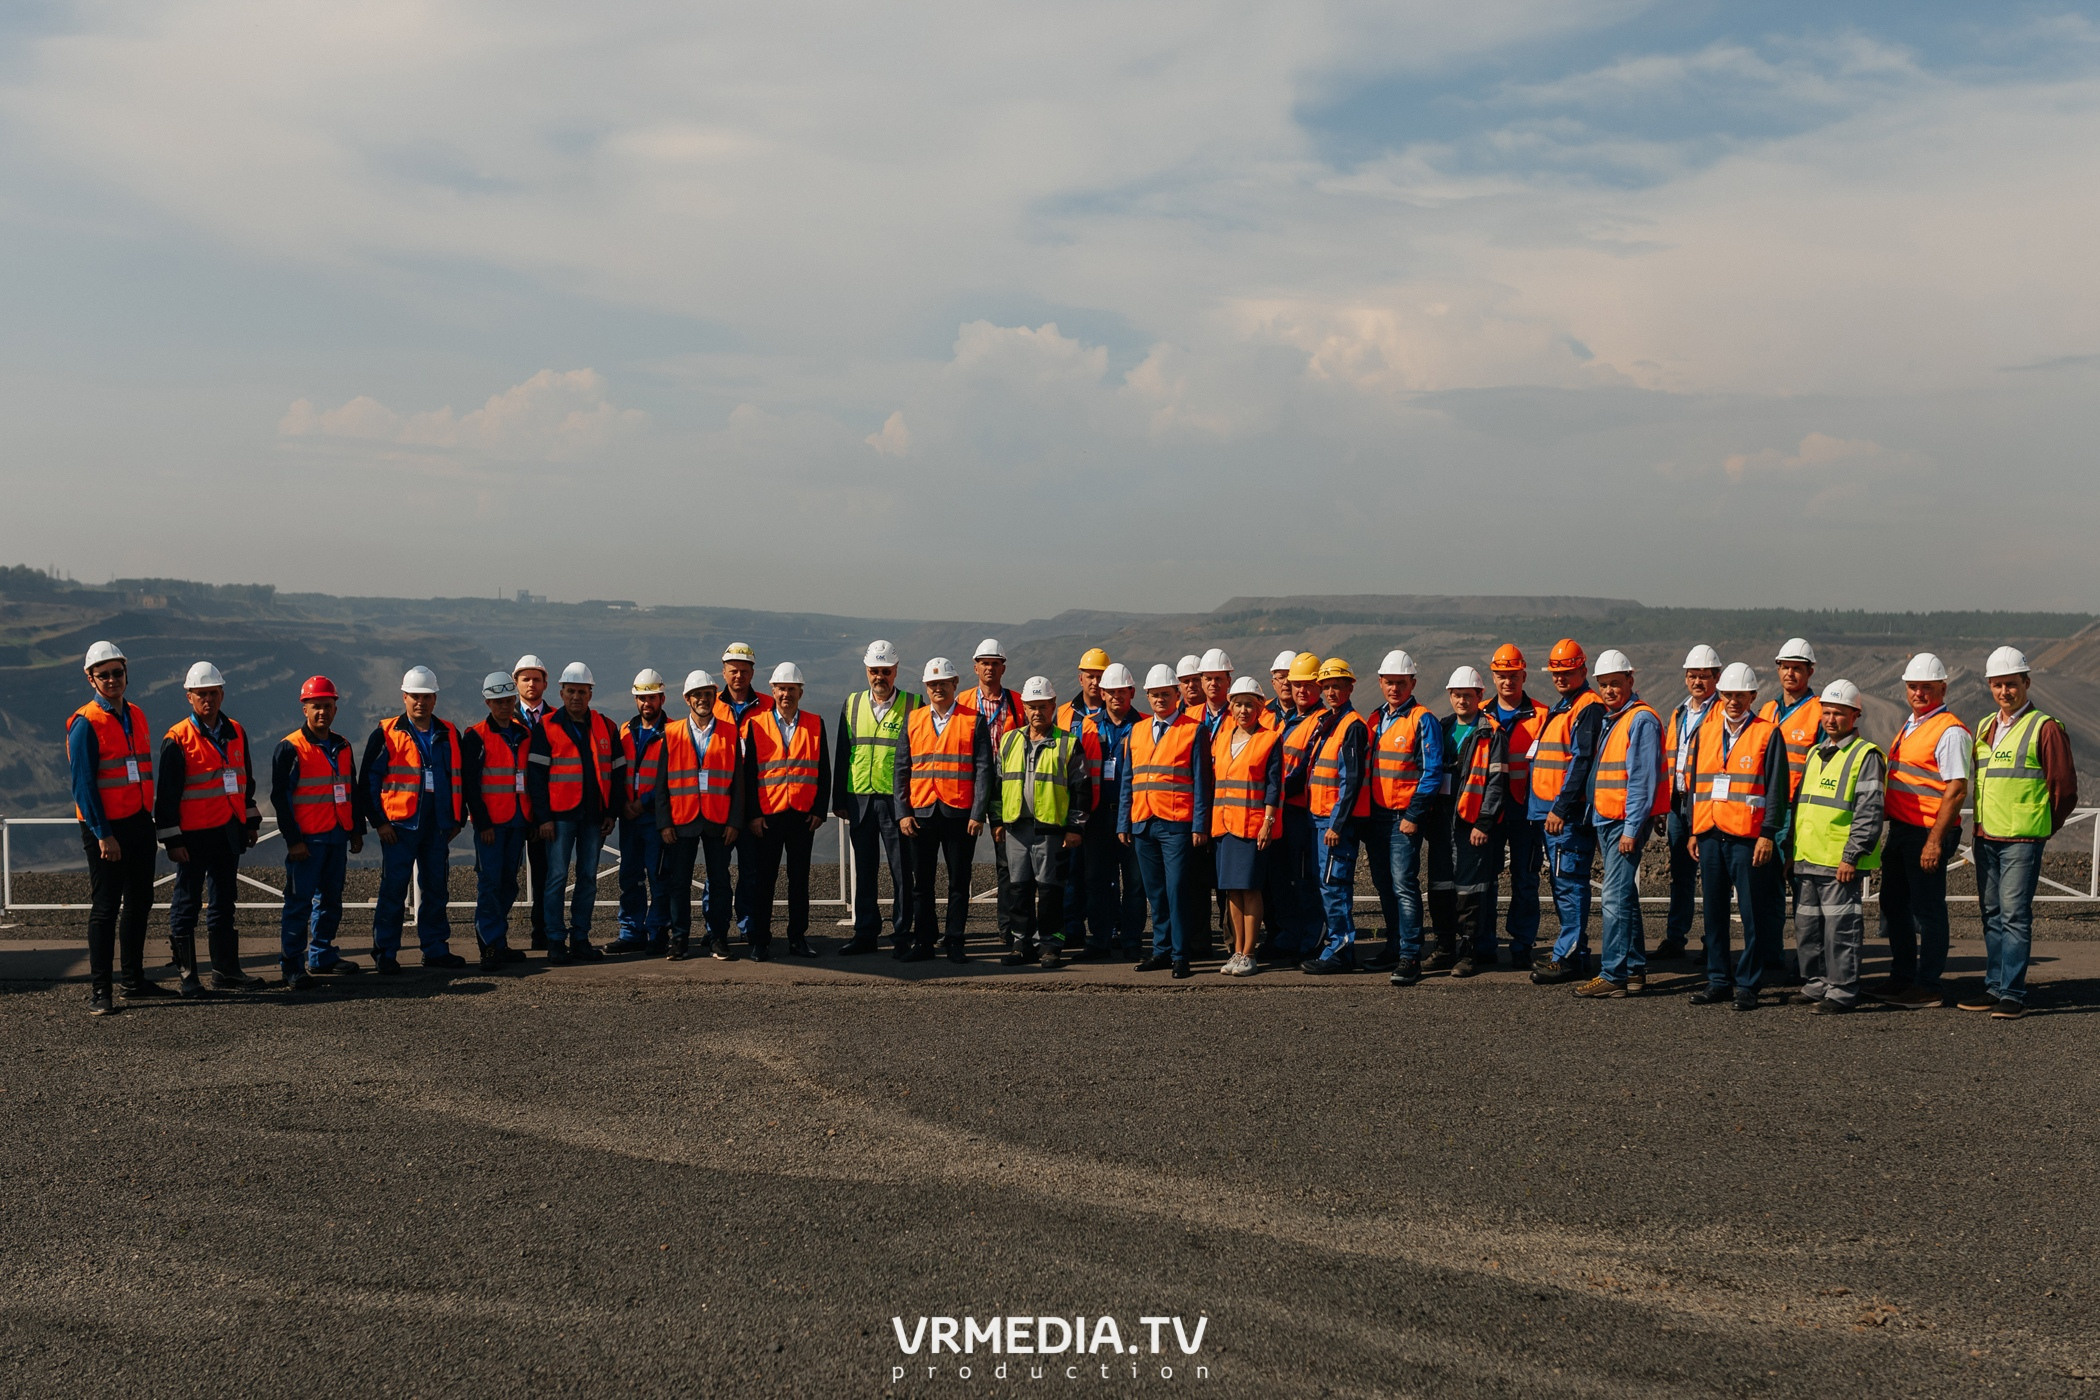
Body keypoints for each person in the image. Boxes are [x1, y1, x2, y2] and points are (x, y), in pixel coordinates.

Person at [1957, 647, 2077, 1019]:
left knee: (2014, 915)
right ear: (1990, 687)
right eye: (1997, 685)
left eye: (2011, 684)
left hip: (2021, 841)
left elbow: (2065, 789)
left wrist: (2042, 825)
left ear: (2026, 682)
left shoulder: (2045, 727)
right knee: (1991, 913)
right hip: (1987, 837)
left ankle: (2013, 992)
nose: (2004, 691)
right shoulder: (1984, 727)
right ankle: (1994, 987)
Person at [1685, 663, 1790, 1010]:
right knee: (1713, 912)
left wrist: (1767, 835)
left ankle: (1748, 983)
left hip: (1748, 838)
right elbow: (1694, 785)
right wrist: (1694, 830)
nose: (1733, 701)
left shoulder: (1767, 733)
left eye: (1740, 695)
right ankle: (1718, 980)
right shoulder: (1706, 731)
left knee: (1752, 914)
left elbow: (1777, 789)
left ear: (1752, 697)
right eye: (1728, 695)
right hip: (1710, 833)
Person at [1869, 653, 1972, 1008]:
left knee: (1928, 911)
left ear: (1942, 688)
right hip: (1901, 830)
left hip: (1927, 832)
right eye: (1913, 687)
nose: (1919, 692)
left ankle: (1927, 984)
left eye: (1927, 687)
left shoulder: (1950, 731)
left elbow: (1956, 789)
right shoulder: (1911, 724)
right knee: (1894, 904)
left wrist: (1934, 842)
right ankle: (1902, 977)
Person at [156, 661, 264, 992]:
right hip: (193, 836)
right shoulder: (177, 738)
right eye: (201, 695)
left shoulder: (236, 732)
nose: (208, 700)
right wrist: (172, 839)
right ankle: (188, 976)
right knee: (187, 902)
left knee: (223, 902)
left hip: (228, 831)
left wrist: (249, 820)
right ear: (189, 697)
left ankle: (226, 971)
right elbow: (167, 796)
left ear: (222, 693)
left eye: (213, 694)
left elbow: (245, 779)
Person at [68, 641, 164, 1013]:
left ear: (126, 672)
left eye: (117, 672)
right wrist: (103, 833)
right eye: (104, 674)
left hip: (139, 822)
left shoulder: (136, 714)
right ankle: (100, 990)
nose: (112, 679)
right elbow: (84, 785)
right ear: (90, 678)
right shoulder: (84, 723)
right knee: (106, 908)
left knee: (140, 902)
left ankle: (134, 980)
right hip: (106, 829)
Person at [362, 666, 467, 973]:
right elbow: (368, 781)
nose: (420, 702)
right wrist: (379, 822)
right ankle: (386, 953)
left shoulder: (449, 733)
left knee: (436, 888)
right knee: (393, 890)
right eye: (414, 697)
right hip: (399, 827)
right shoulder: (385, 733)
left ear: (435, 699)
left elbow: (460, 778)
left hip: (437, 825)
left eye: (426, 697)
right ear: (404, 697)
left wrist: (457, 818)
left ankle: (435, 949)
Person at [1788, 680, 1883, 1015]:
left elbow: (1869, 811)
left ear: (1854, 715)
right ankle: (1816, 984)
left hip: (1837, 862)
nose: (1831, 719)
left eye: (1839, 713)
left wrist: (1851, 855)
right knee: (1808, 928)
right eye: (1826, 712)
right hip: (1807, 858)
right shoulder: (1815, 753)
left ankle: (1842, 990)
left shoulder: (1865, 756)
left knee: (1840, 930)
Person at [1573, 652, 1664, 999]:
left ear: (1630, 680)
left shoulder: (1640, 720)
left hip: (1622, 823)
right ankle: (1635, 971)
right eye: (1604, 685)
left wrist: (1630, 828)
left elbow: (1641, 779)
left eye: (1615, 683)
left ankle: (1613, 973)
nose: (1609, 690)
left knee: (1613, 898)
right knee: (1624, 896)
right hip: (1608, 819)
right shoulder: (1618, 718)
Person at [525, 662, 626, 964]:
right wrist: (543, 817)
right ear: (561, 692)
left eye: (582, 692)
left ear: (590, 693)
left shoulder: (605, 726)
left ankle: (580, 937)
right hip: (559, 818)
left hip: (594, 817)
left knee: (587, 878)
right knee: (556, 878)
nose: (576, 697)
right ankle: (555, 940)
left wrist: (612, 811)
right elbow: (536, 778)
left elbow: (617, 772)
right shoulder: (548, 726)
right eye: (571, 691)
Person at [897, 657, 992, 962]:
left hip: (959, 814)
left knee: (959, 882)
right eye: (932, 684)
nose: (938, 688)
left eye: (943, 683)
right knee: (921, 884)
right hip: (921, 812)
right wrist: (903, 812)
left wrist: (978, 813)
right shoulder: (912, 720)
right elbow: (901, 769)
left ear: (955, 685)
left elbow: (983, 769)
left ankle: (955, 940)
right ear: (926, 687)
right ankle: (924, 942)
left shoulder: (973, 720)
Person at [271, 675, 365, 986]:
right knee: (298, 903)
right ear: (305, 709)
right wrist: (294, 840)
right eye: (316, 706)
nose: (322, 712)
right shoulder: (290, 748)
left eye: (327, 705)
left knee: (331, 901)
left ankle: (321, 955)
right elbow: (280, 799)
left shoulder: (343, 745)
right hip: (307, 841)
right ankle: (292, 966)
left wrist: (355, 831)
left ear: (335, 708)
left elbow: (351, 788)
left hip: (336, 836)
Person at [994, 677, 1090, 968]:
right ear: (1024, 707)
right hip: (1016, 828)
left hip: (1051, 829)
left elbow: (1081, 789)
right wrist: (997, 820)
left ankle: (1050, 945)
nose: (1038, 713)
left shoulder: (1068, 743)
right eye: (1032, 707)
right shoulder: (1009, 740)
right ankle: (1021, 944)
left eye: (1043, 707)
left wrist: (1075, 827)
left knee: (1050, 890)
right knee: (1018, 889)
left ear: (1053, 706)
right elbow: (998, 784)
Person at [655, 670, 749, 961]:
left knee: (720, 881)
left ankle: (718, 938)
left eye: (708, 695)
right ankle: (680, 939)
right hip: (682, 820)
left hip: (718, 821)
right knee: (678, 882)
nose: (703, 700)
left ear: (714, 697)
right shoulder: (671, 734)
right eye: (697, 695)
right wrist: (665, 823)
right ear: (687, 699)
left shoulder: (730, 733)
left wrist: (735, 821)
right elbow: (661, 784)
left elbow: (738, 783)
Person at [834, 640, 921, 956]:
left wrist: (910, 804)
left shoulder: (914, 704)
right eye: (874, 671)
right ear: (866, 671)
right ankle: (865, 933)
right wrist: (839, 800)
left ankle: (902, 934)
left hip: (897, 802)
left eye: (885, 671)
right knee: (864, 871)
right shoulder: (852, 704)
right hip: (860, 800)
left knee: (902, 872)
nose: (879, 677)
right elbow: (844, 752)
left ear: (895, 671)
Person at [1124, 664, 1210, 978]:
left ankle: (1180, 954)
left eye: (1165, 694)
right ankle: (1161, 950)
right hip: (1144, 822)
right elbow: (1128, 781)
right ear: (1147, 697)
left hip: (1177, 823)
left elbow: (1202, 783)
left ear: (1177, 695)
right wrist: (1124, 823)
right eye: (1155, 695)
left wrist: (1200, 824)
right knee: (1155, 891)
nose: (1160, 700)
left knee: (1177, 890)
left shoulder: (1194, 730)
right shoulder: (1137, 730)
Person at [1361, 649, 1442, 976]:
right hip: (1376, 817)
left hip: (1402, 819)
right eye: (1389, 682)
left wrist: (1413, 815)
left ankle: (1410, 954)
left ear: (1412, 683)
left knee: (1403, 885)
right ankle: (1394, 946)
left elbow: (1432, 772)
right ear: (1381, 682)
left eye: (1401, 683)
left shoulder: (1423, 719)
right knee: (1383, 884)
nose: (1395, 688)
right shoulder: (1375, 719)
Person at [742, 663, 831, 960]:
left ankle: (798, 938)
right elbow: (750, 773)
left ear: (800, 692)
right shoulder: (756, 725)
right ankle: (760, 940)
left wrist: (820, 810)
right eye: (781, 689)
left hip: (802, 816)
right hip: (768, 816)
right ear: (773, 691)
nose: (786, 694)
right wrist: (753, 814)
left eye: (791, 689)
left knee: (799, 880)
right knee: (763, 881)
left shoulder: (815, 724)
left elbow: (823, 771)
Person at [1527, 640, 1603, 985]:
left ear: (1582, 671)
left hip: (1566, 818)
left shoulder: (1586, 707)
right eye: (1556, 672)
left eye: (1567, 671)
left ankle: (1568, 957)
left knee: (1570, 885)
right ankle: (1574, 951)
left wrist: (1561, 807)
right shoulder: (1565, 705)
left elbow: (1581, 761)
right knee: (1562, 885)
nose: (1560, 677)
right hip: (1551, 815)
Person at [1433, 668, 1509, 979]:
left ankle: (1468, 952)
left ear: (1480, 696)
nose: (1462, 700)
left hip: (1472, 821)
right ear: (1449, 696)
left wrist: (1485, 822)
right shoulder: (1442, 727)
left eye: (1468, 695)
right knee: (1440, 885)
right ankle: (1443, 947)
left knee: (1471, 887)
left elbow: (1496, 782)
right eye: (1457, 694)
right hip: (1441, 820)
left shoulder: (1491, 733)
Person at [1757, 638, 1822, 982]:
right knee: (1766, 889)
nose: (1791, 673)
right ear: (1778, 669)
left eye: (1798, 668)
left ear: (1810, 671)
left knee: (1803, 892)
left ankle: (1807, 965)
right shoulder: (1766, 711)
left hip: (1802, 811)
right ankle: (1770, 958)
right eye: (1785, 667)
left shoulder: (1819, 713)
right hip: (1769, 811)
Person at [1301, 658, 1370, 975]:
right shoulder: (1328, 722)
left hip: (1334, 824)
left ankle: (1340, 950)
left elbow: (1351, 779)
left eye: (1336, 686)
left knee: (1334, 885)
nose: (1330, 691)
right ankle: (1335, 946)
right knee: (1326, 885)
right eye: (1326, 686)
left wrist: (1337, 825)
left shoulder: (1352, 726)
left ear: (1349, 687)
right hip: (1319, 819)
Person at [461, 672, 534, 972]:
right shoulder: (476, 735)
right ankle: (488, 945)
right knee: (489, 883)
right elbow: (470, 784)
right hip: (491, 824)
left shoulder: (523, 734)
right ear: (487, 702)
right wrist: (483, 823)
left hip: (517, 821)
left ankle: (498, 941)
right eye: (498, 701)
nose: (504, 706)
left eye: (508, 700)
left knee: (508, 884)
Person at [1208, 677, 1282, 976]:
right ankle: (1237, 950)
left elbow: (1274, 786)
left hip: (1251, 827)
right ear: (1230, 706)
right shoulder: (1222, 738)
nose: (1243, 710)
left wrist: (1268, 822)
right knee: (1232, 893)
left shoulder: (1269, 739)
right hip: (1224, 826)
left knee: (1251, 890)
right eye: (1238, 704)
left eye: (1249, 705)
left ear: (1260, 708)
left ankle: (1250, 952)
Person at [1482, 645, 1550, 970]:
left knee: (1525, 879)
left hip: (1526, 811)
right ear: (1493, 677)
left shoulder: (1542, 715)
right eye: (1501, 676)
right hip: (1489, 812)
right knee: (1487, 878)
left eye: (1512, 675)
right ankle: (1485, 943)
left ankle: (1522, 944)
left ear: (1523, 675)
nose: (1507, 681)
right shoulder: (1481, 713)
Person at [1657, 646, 1722, 961]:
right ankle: (1675, 937)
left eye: (1704, 676)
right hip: (1676, 803)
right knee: (1680, 875)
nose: (1698, 681)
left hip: (1706, 805)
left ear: (1716, 678)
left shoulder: (1721, 713)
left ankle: (1714, 941)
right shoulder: (1679, 712)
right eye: (1693, 675)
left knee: (1712, 876)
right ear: (1685, 677)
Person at [961, 639, 1025, 949]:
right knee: (959, 858)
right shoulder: (961, 701)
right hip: (967, 785)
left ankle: (1008, 928)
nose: (989, 667)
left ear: (1003, 667)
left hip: (1005, 786)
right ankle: (954, 931)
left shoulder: (1017, 702)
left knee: (1007, 862)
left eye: (995, 662)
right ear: (975, 667)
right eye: (984, 662)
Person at [1081, 664, 1148, 956]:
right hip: (1097, 814)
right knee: (1097, 880)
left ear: (1132, 692)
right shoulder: (1088, 726)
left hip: (1134, 813)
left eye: (1122, 691)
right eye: (1111, 692)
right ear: (1103, 693)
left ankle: (1132, 940)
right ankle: (1099, 939)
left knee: (1134, 881)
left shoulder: (1145, 726)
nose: (1116, 697)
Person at [607, 669, 672, 956]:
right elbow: (615, 772)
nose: (647, 703)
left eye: (652, 697)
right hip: (629, 818)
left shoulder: (673, 732)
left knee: (659, 877)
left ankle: (658, 931)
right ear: (635, 699)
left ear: (662, 698)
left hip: (655, 817)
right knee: (630, 876)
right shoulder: (623, 731)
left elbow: (672, 777)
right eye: (642, 698)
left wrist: (642, 803)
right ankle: (631, 932)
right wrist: (622, 804)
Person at [715, 641, 775, 946]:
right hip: (719, 801)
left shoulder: (768, 705)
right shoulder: (710, 705)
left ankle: (750, 926)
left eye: (744, 671)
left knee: (752, 870)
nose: (738, 676)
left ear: (752, 673)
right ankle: (716, 930)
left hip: (754, 801)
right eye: (733, 671)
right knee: (717, 872)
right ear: (724, 672)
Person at [1271, 652, 1327, 962]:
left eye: (1308, 685)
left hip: (1302, 813)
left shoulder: (1321, 721)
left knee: (1306, 880)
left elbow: (1305, 769)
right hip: (1281, 812)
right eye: (1296, 685)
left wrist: (1272, 793)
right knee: (1283, 879)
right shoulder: (1283, 719)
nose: (1301, 691)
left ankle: (1311, 939)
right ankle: (1289, 936)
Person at [1057, 648, 1112, 951]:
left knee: (1099, 877)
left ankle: (1102, 935)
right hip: (1071, 807)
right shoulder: (1064, 714)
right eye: (1090, 675)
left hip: (1102, 808)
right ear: (1080, 677)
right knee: (1070, 875)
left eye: (1100, 676)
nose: (1095, 681)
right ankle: (1071, 930)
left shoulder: (1115, 713)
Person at [512, 654, 554, 950]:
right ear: (516, 683)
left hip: (543, 811)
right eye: (525, 678)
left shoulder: (556, 720)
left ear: (545, 684)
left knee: (545, 876)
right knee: (502, 878)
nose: (531, 684)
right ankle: (494, 940)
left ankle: (543, 932)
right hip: (509, 811)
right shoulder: (503, 715)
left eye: (536, 679)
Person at [1266, 650, 1298, 728]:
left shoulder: (1311, 713)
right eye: (1281, 677)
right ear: (1273, 683)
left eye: (1290, 677)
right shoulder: (1262, 711)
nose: (1286, 682)